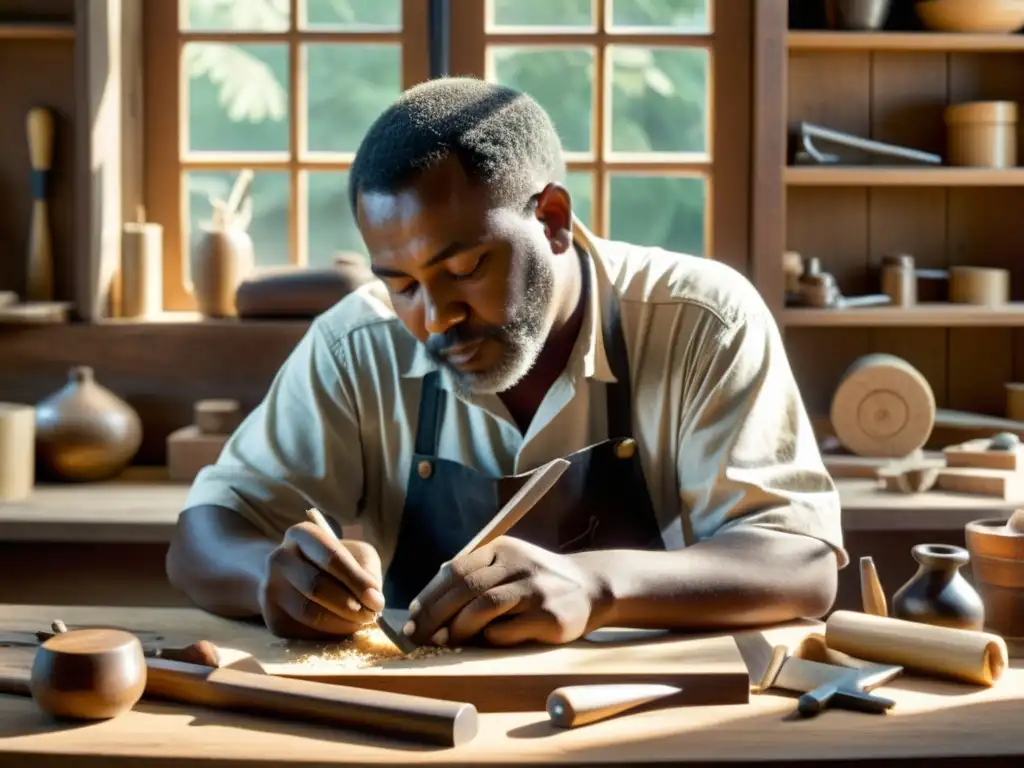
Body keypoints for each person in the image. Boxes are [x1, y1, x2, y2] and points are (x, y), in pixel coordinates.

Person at [167, 77, 846, 648]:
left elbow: (802, 562)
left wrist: (598, 587)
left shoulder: (703, 319)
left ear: (552, 218)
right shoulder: (356, 344)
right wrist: (269, 578)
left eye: (463, 268)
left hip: (639, 708)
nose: (433, 318)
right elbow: (205, 534)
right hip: (415, 722)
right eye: (401, 284)